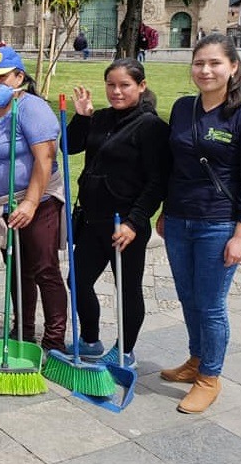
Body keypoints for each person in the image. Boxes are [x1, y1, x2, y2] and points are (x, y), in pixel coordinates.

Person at [158, 33, 241, 414]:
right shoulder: (182, 108)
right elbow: (172, 166)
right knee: (188, 297)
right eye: (199, 63)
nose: (205, 70)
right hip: (177, 220)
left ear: (233, 67)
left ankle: (210, 377)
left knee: (210, 304)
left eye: (215, 63)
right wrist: (164, 211)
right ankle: (195, 360)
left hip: (218, 225)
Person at [65, 59, 170, 367]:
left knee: (126, 289)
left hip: (124, 225)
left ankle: (125, 351)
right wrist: (82, 118)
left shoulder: (152, 127)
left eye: (125, 85)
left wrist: (135, 222)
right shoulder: (100, 118)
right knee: (78, 281)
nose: (116, 91)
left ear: (141, 86)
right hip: (92, 219)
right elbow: (67, 146)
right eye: (111, 85)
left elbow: (157, 182)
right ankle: (90, 339)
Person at [0, 47, 67, 351]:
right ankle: (23, 333)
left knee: (44, 268)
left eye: (2, 77)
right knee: (17, 269)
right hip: (3, 206)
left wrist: (29, 202)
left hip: (38, 203)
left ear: (19, 76)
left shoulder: (32, 108)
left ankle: (54, 341)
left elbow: (45, 158)